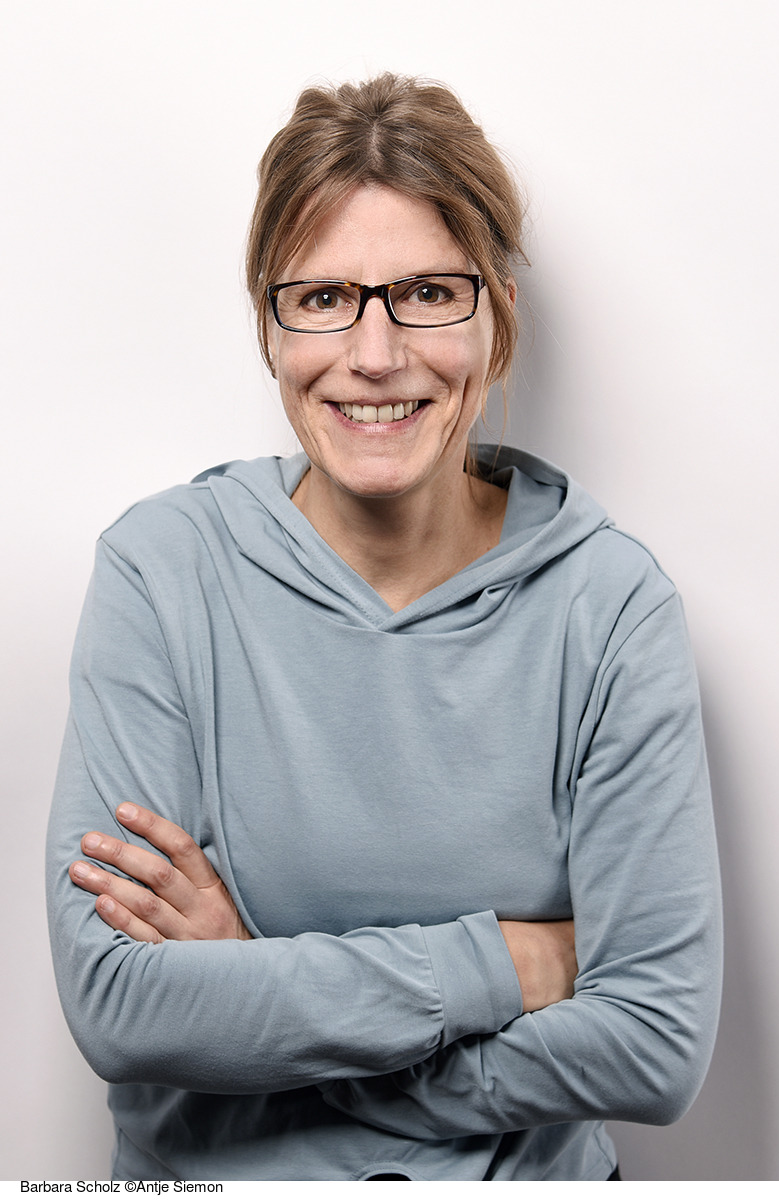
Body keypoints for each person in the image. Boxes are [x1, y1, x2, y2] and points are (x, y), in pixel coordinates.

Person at [46, 73, 722, 1182]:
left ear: (497, 320)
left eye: (427, 293)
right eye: (322, 298)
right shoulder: (162, 572)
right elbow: (121, 1004)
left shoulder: (610, 608)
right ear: (269, 328)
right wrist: (506, 962)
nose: (372, 353)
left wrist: (257, 990)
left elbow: (652, 1046)